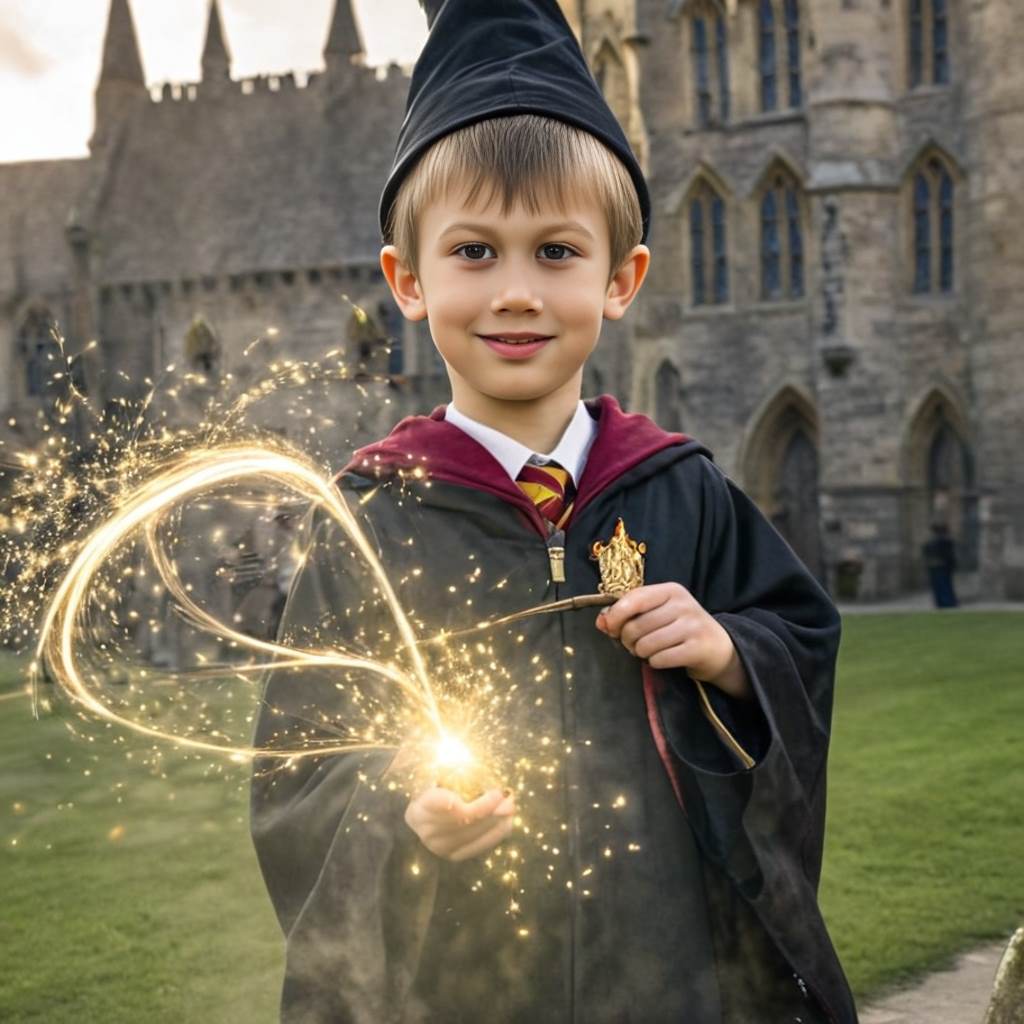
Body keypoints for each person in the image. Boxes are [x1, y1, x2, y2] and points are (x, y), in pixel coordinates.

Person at [249, 1, 857, 1021]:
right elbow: (297, 764)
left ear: (622, 278)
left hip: (672, 977)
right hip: (468, 988)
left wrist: (727, 653)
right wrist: (402, 806)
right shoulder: (372, 521)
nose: (518, 291)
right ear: (407, 279)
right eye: (474, 252)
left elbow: (800, 640)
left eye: (558, 252)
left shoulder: (683, 490)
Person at [922, 521, 959, 608]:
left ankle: (946, 602)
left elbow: (948, 555)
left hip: (941, 566)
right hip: (938, 566)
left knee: (943, 584)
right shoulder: (937, 542)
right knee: (941, 585)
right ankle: (944, 602)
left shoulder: (942, 541)